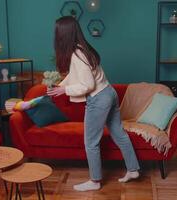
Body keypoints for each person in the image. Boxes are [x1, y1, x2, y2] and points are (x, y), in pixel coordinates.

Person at [47, 16, 140, 192]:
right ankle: (133, 169)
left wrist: (64, 91)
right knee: (119, 133)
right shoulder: (82, 48)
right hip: (109, 92)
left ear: (63, 34)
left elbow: (87, 85)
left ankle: (95, 181)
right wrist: (60, 86)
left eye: (57, 31)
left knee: (91, 142)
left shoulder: (76, 55)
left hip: (98, 98)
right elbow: (77, 76)